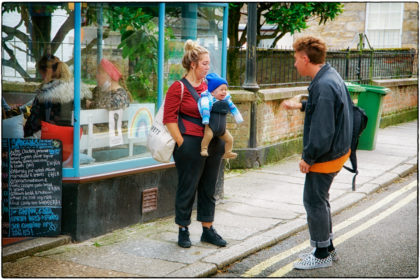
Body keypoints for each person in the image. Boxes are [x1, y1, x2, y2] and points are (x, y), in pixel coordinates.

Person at [283, 36, 353, 270]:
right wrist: (301, 105)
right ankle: (327, 248)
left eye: (296, 59)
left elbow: (323, 131)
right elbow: (329, 109)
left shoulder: (323, 84)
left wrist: (308, 158)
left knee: (313, 200)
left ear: (305, 58)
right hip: (338, 150)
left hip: (326, 155)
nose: (294, 64)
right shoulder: (328, 76)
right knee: (320, 200)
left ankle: (321, 253)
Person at [163, 40, 227, 248]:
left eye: (209, 64)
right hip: (189, 144)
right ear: (193, 64)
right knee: (187, 188)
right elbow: (169, 119)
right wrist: (182, 143)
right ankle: (183, 229)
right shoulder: (178, 87)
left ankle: (208, 229)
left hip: (213, 143)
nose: (208, 68)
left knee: (209, 188)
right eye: (205, 64)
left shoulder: (210, 85)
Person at [24, 54, 92, 138]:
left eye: (40, 73)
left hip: (50, 141)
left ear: (45, 72)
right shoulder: (78, 91)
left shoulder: (44, 96)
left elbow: (33, 125)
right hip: (75, 139)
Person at [198, 73, 243, 159]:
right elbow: (205, 108)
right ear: (212, 92)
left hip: (222, 129)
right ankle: (204, 149)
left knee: (230, 139)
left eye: (225, 90)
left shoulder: (227, 100)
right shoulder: (208, 100)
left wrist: (238, 118)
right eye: (221, 89)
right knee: (208, 136)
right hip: (211, 126)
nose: (224, 92)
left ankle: (228, 152)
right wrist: (206, 118)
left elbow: (234, 109)